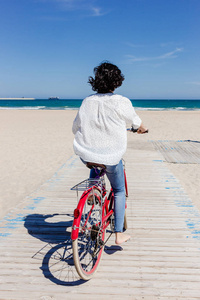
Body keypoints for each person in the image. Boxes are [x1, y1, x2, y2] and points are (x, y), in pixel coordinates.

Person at [72, 62, 148, 245]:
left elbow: (75, 127)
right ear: (117, 82)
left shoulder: (87, 101)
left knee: (94, 160)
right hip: (112, 156)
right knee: (119, 190)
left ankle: (93, 188)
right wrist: (141, 129)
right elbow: (136, 122)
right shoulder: (121, 101)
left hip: (86, 154)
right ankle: (118, 233)